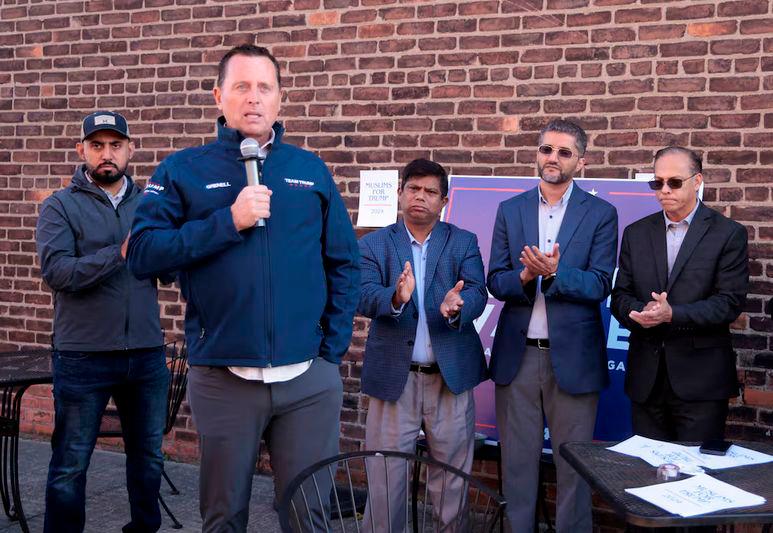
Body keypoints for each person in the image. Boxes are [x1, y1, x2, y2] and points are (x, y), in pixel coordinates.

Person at [126, 44, 360, 532]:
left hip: (307, 381)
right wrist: (227, 220)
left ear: (279, 100)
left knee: (308, 517)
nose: (253, 98)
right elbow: (144, 253)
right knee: (223, 517)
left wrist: (329, 352)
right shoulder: (182, 171)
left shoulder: (310, 170)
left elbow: (343, 263)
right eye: (241, 86)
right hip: (225, 377)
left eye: (264, 87)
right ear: (218, 96)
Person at [36, 111, 170, 533]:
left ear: (131, 149)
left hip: (146, 355)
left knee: (148, 460)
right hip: (83, 357)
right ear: (82, 151)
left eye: (115, 145)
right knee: (70, 465)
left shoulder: (153, 203)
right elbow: (58, 273)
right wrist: (120, 253)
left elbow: (168, 266)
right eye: (97, 146)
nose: (106, 154)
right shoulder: (60, 206)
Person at [487, 119, 618, 533]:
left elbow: (599, 283)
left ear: (581, 159)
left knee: (574, 470)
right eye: (546, 149)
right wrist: (526, 278)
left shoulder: (601, 213)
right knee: (518, 468)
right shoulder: (510, 209)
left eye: (564, 152)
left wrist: (557, 274)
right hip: (518, 358)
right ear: (537, 153)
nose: (553, 158)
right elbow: (495, 279)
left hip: (574, 361)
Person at [358, 158, 488, 530]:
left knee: (451, 482)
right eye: (413, 188)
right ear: (400, 194)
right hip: (393, 380)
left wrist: (457, 307)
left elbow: (478, 289)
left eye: (431, 191)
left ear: (444, 201)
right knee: (385, 479)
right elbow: (363, 295)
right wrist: (396, 298)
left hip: (448, 378)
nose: (421, 197)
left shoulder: (462, 241)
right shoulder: (374, 244)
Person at [611, 146, 748, 442]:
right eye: (656, 182)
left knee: (696, 477)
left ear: (697, 181)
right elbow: (619, 295)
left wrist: (672, 314)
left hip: (700, 383)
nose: (664, 190)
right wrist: (638, 312)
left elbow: (729, 303)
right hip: (646, 379)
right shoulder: (636, 233)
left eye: (674, 182)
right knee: (645, 475)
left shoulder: (727, 234)